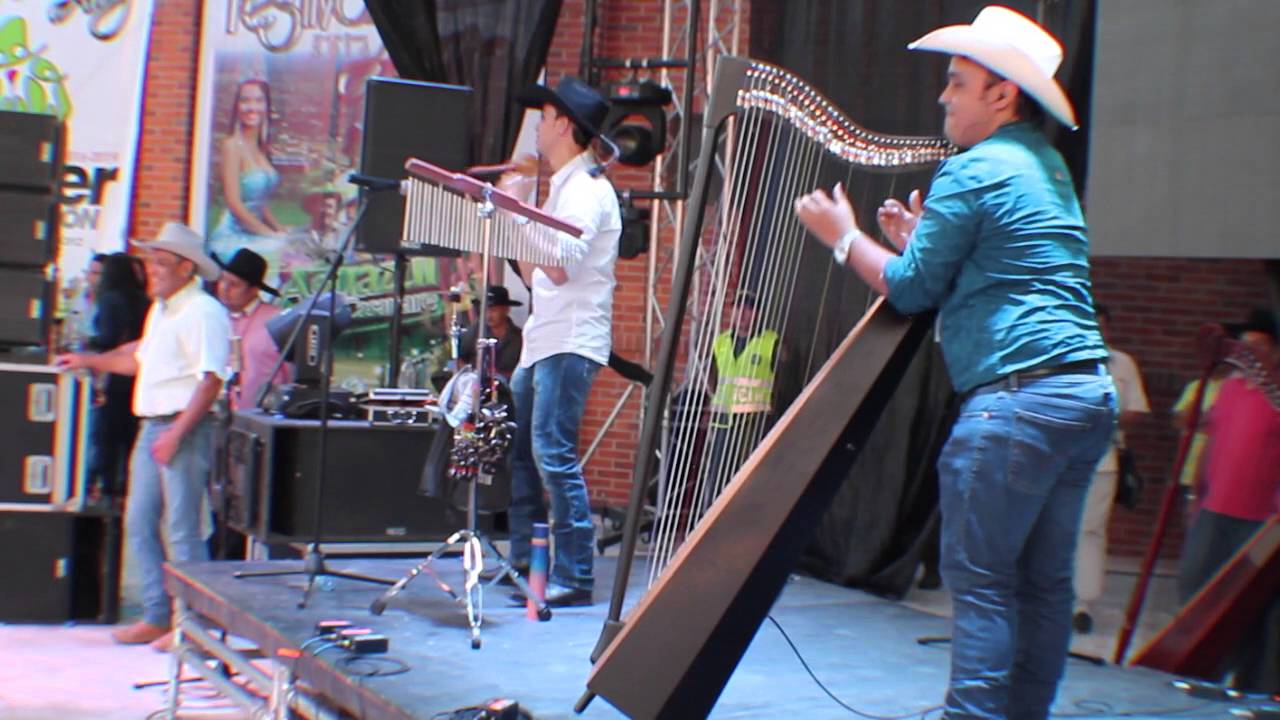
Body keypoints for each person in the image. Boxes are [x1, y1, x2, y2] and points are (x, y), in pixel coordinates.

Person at [793, 7, 1116, 718]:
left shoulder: (973, 169)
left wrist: (843, 238)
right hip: (1084, 394)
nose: (942, 97)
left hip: (1017, 404)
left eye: (956, 82)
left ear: (1001, 94)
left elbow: (909, 290)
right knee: (1042, 586)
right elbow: (1003, 268)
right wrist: (923, 242)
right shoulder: (1044, 163)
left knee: (984, 584)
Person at [56, 222, 230, 648]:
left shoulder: (204, 312)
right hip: (154, 424)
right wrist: (89, 361)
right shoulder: (163, 309)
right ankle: (158, 616)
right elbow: (139, 360)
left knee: (184, 527)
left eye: (162, 262)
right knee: (139, 522)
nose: (153, 269)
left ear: (187, 267)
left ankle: (193, 626)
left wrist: (176, 434)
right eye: (151, 261)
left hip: (181, 425)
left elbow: (211, 381)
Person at [496, 76, 621, 607]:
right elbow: (535, 275)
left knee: (553, 452)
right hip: (543, 339)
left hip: (570, 341)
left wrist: (515, 212)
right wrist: (515, 214)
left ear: (565, 125)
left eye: (544, 117)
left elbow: (561, 265)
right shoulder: (564, 187)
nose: (538, 127)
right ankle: (526, 561)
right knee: (524, 453)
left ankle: (576, 574)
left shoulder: (589, 190)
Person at [1177, 308, 1280, 692]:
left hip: (1261, 520)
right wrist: (1195, 493)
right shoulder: (1230, 389)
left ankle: (1250, 685)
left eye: (1258, 346)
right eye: (1245, 345)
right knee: (1195, 593)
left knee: (1249, 612)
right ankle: (1197, 675)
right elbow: (1212, 441)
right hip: (1214, 509)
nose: (1248, 353)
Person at [1072, 305, 1149, 634]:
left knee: (1090, 531)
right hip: (1060, 459)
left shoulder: (1122, 363)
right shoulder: (1062, 357)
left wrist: (1107, 417)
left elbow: (1136, 409)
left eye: (1102, 326)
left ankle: (1082, 604)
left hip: (1102, 461)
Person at [85, 252, 151, 500]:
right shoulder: (145, 301)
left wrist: (90, 347)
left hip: (116, 374)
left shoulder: (110, 300)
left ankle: (108, 490)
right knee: (131, 439)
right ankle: (128, 489)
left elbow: (107, 339)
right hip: (139, 376)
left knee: (108, 438)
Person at [703, 290, 780, 500]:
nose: (742, 313)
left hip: (752, 423)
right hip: (723, 422)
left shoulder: (771, 343)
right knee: (718, 477)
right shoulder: (721, 342)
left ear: (757, 313)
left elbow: (781, 379)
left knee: (748, 479)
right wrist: (712, 403)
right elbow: (714, 374)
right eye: (738, 308)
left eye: (749, 308)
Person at [209, 79, 286, 263]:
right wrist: (270, 235)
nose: (252, 107)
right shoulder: (231, 146)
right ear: (237, 106)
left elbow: (259, 203)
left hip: (257, 232)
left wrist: (279, 229)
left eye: (259, 101)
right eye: (245, 101)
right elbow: (234, 204)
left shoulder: (262, 148)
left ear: (267, 106)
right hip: (234, 237)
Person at [214, 248, 289, 410]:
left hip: (261, 418)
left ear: (254, 290)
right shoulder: (213, 316)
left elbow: (291, 375)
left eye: (234, 284)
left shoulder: (276, 321)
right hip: (216, 415)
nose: (224, 288)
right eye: (223, 280)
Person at [460, 285, 524, 380]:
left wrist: (497, 376)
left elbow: (523, 373)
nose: (488, 315)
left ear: (506, 310)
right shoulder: (477, 329)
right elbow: (460, 358)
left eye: (493, 310)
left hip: (506, 390)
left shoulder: (519, 337)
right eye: (485, 311)